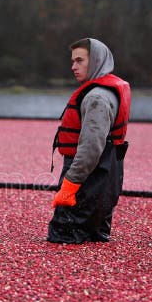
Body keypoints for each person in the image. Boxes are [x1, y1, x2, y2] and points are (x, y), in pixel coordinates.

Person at [47, 38, 131, 244]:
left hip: (88, 182)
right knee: (95, 240)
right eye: (73, 61)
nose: (73, 66)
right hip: (107, 178)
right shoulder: (105, 92)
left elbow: (91, 148)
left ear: (96, 61)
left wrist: (70, 184)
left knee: (63, 238)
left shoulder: (96, 98)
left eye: (79, 60)